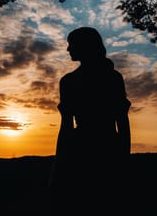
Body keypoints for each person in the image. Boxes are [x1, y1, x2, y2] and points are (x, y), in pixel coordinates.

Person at [48, 26, 131, 214]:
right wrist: (125, 160)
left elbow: (66, 128)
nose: (68, 49)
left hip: (83, 152)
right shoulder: (113, 77)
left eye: (71, 44)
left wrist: (58, 166)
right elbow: (123, 125)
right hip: (107, 148)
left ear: (85, 45)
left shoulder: (70, 81)